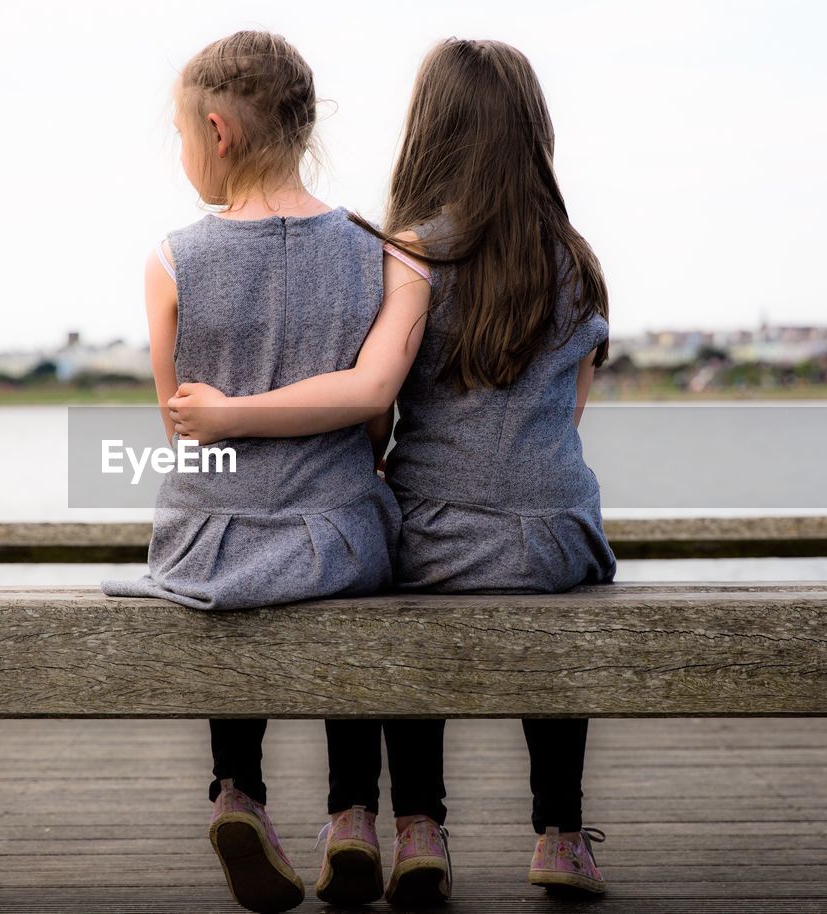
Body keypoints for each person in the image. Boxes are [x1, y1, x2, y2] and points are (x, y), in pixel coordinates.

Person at [169, 37, 617, 900]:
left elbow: (375, 412)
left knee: (389, 567)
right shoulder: (578, 263)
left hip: (439, 537)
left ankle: (415, 828)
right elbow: (569, 419)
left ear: (430, 133)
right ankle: (561, 834)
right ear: (535, 135)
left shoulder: (411, 255)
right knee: (556, 619)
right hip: (558, 536)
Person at [100, 30, 440, 913]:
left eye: (180, 137)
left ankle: (237, 790)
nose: (182, 156)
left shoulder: (174, 258)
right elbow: (376, 417)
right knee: (360, 581)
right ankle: (354, 814)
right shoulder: (380, 253)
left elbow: (180, 430)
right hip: (336, 540)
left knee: (228, 579)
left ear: (217, 132)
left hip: (209, 546)